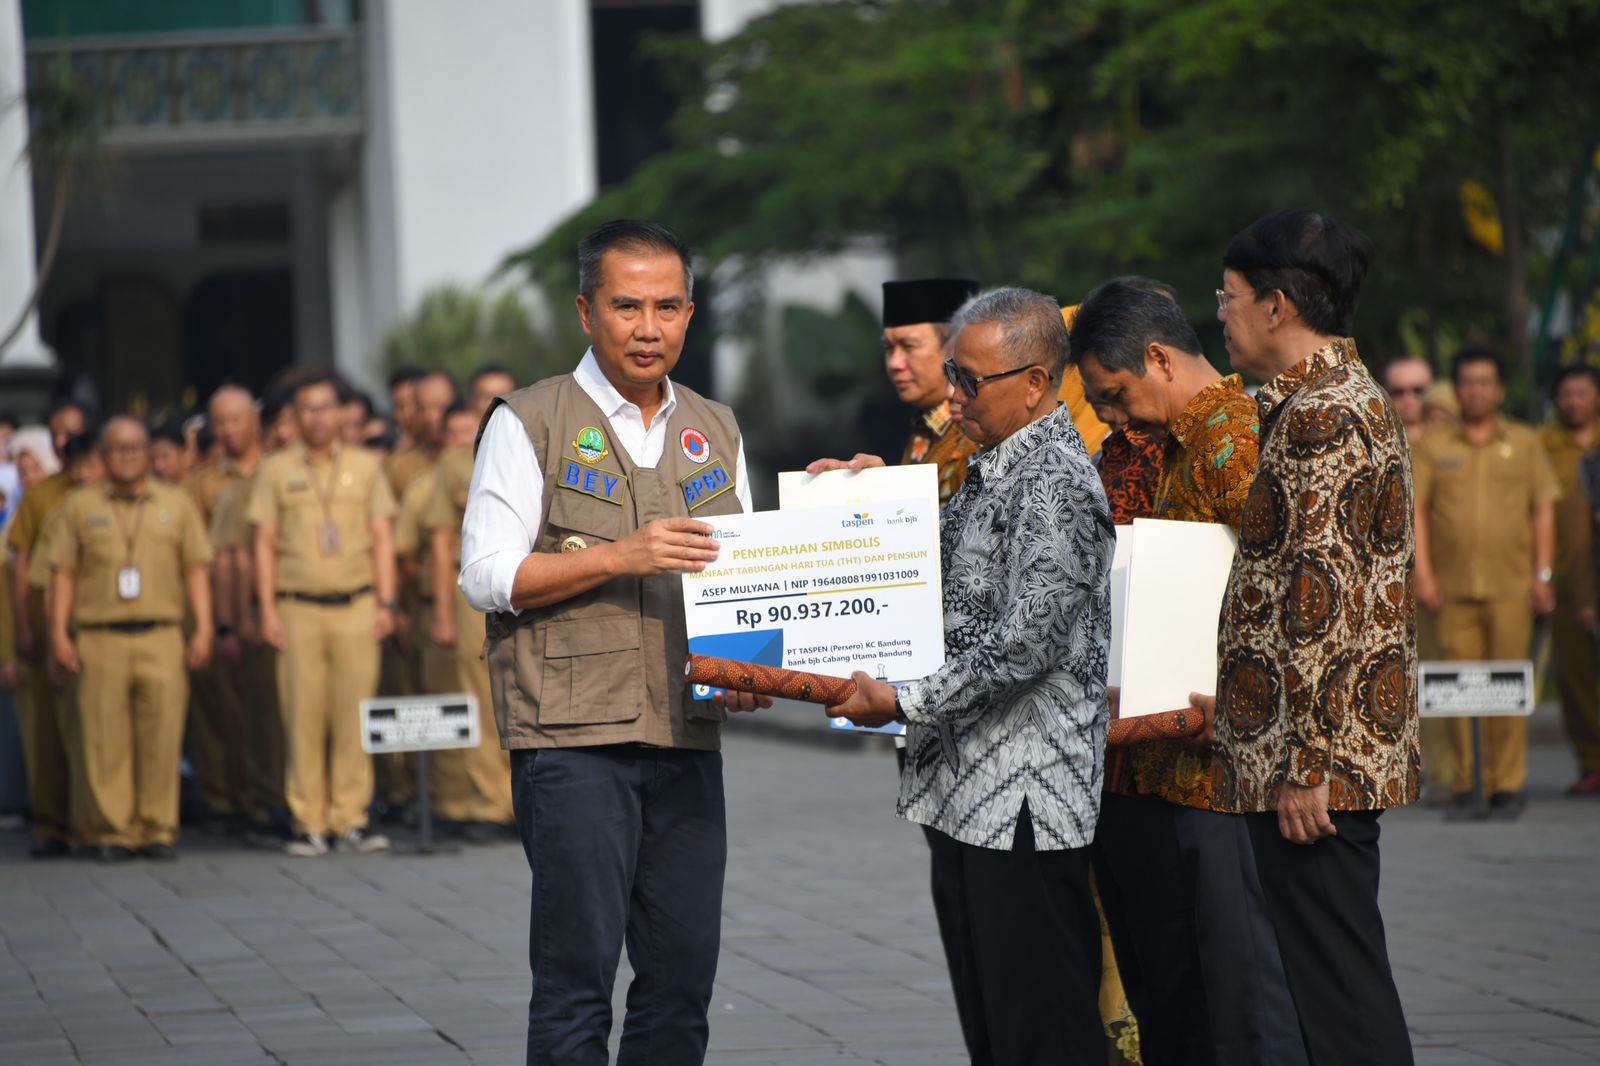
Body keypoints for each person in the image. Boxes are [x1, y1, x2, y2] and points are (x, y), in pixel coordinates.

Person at [459, 219, 763, 1065]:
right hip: (572, 742)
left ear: (692, 314)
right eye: (627, 306)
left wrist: (754, 667)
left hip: (686, 737)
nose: (648, 327)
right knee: (575, 979)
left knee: (681, 981)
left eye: (668, 306)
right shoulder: (530, 420)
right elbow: (485, 576)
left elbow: (741, 581)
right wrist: (620, 557)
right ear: (586, 311)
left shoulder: (718, 427)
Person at [820, 287, 1113, 1066]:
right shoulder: (991, 468)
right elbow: (933, 576)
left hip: (1023, 798)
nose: (953, 395)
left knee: (1044, 1027)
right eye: (952, 374)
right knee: (996, 1021)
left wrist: (904, 701)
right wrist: (863, 503)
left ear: (1037, 383)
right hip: (968, 793)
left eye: (970, 382)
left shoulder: (1054, 480)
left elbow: (1027, 644)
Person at [1189, 209, 1417, 1065]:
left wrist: (1305, 764)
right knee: (1335, 984)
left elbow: (1321, 605)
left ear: (1278, 305)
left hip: (1319, 764)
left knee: (1341, 996)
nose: (1223, 312)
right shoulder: (1324, 401)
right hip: (1318, 748)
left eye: (1231, 295)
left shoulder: (1324, 416)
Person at [1072, 277, 1309, 1066]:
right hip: (1154, 762)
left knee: (1237, 1005)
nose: (1110, 415)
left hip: (1220, 773)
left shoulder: (1231, 438)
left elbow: (1292, 590)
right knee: (1172, 997)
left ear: (1157, 357)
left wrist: (1256, 703)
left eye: (1114, 393)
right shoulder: (1169, 443)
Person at [44, 418, 213, 861]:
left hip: (161, 632)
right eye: (116, 450)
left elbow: (195, 568)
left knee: (162, 733)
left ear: (147, 452)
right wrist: (59, 633)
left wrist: (205, 628)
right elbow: (62, 573)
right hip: (100, 636)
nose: (126, 457)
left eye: (134, 448)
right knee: (104, 737)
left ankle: (158, 827)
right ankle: (113, 830)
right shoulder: (79, 506)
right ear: (102, 456)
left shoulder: (176, 504)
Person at [249, 371, 400, 857]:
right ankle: (307, 820)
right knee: (302, 716)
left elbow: (382, 537)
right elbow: (264, 543)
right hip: (298, 609)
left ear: (341, 413)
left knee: (355, 715)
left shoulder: (365, 465)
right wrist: (267, 609)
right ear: (294, 417)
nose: (317, 417)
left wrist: (387, 602)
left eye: (325, 407)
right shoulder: (274, 470)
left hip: (356, 604)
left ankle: (351, 818)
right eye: (306, 409)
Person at [1413, 347, 1558, 817]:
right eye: (1468, 382)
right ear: (1456, 390)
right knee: (1454, 688)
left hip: (1512, 588)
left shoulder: (1526, 442)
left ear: (1499, 389)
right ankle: (1463, 781)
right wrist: (1425, 574)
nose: (1476, 390)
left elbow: (1543, 509)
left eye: (1485, 382)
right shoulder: (1434, 445)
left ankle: (1506, 783)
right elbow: (1417, 512)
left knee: (1508, 686)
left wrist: (1543, 574)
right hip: (1449, 591)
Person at [407, 400, 516, 839]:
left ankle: (516, 801)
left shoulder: (529, 445)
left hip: (526, 584)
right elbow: (439, 540)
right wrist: (442, 612)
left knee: (519, 698)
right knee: (483, 700)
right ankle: (491, 804)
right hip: (474, 587)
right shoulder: (455, 464)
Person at [8, 431, 101, 857]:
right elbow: (22, 568)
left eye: (92, 461)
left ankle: (93, 823)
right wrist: (24, 628)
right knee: (45, 733)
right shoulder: (44, 498)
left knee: (95, 735)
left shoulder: (118, 500)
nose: (86, 471)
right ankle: (51, 823)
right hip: (47, 628)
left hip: (99, 629)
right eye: (76, 461)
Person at [1382, 357, 1454, 800]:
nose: (1410, 400)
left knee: (1440, 676)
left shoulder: (1454, 445)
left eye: (1419, 390)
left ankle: (1449, 769)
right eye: (1399, 391)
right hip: (1384, 580)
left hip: (1442, 584)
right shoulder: (1374, 436)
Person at [1542, 365, 1600, 794]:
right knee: (1576, 679)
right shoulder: (1541, 445)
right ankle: (1590, 762)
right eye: (1566, 394)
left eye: (1582, 393)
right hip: (1566, 578)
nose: (1574, 402)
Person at [883, 277, 982, 503]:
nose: (894, 363)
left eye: (909, 346)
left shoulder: (978, 431)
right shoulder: (926, 430)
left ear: (952, 348)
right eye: (889, 348)